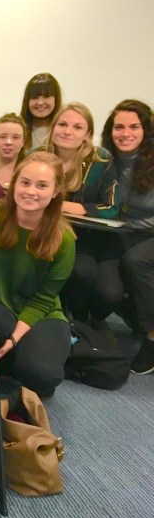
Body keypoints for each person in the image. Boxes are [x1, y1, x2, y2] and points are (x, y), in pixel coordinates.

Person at [0, 152, 75, 398]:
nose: (31, 191)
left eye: (42, 185)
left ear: (55, 191)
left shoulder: (64, 238)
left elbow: (43, 299)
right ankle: (5, 362)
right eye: (25, 182)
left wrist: (15, 340)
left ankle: (9, 361)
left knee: (43, 376)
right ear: (14, 184)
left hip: (40, 314)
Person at [43, 102, 120, 324]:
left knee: (84, 275)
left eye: (77, 127)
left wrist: (67, 206)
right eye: (63, 124)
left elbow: (112, 207)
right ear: (53, 126)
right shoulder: (39, 155)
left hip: (87, 239)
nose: (68, 131)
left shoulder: (101, 160)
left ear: (87, 134)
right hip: (45, 232)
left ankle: (81, 324)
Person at [101, 99, 154, 373]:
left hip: (150, 232)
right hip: (123, 231)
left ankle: (152, 336)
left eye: (134, 127)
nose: (126, 133)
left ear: (146, 130)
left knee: (135, 261)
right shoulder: (105, 160)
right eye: (119, 127)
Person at [20, 73, 61, 149]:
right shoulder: (18, 131)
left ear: (56, 99)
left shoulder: (64, 133)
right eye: (34, 97)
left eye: (46, 96)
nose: (40, 102)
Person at [0, 113, 30, 189]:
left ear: (23, 142)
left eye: (15, 137)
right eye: (2, 137)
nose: (8, 142)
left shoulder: (31, 171)